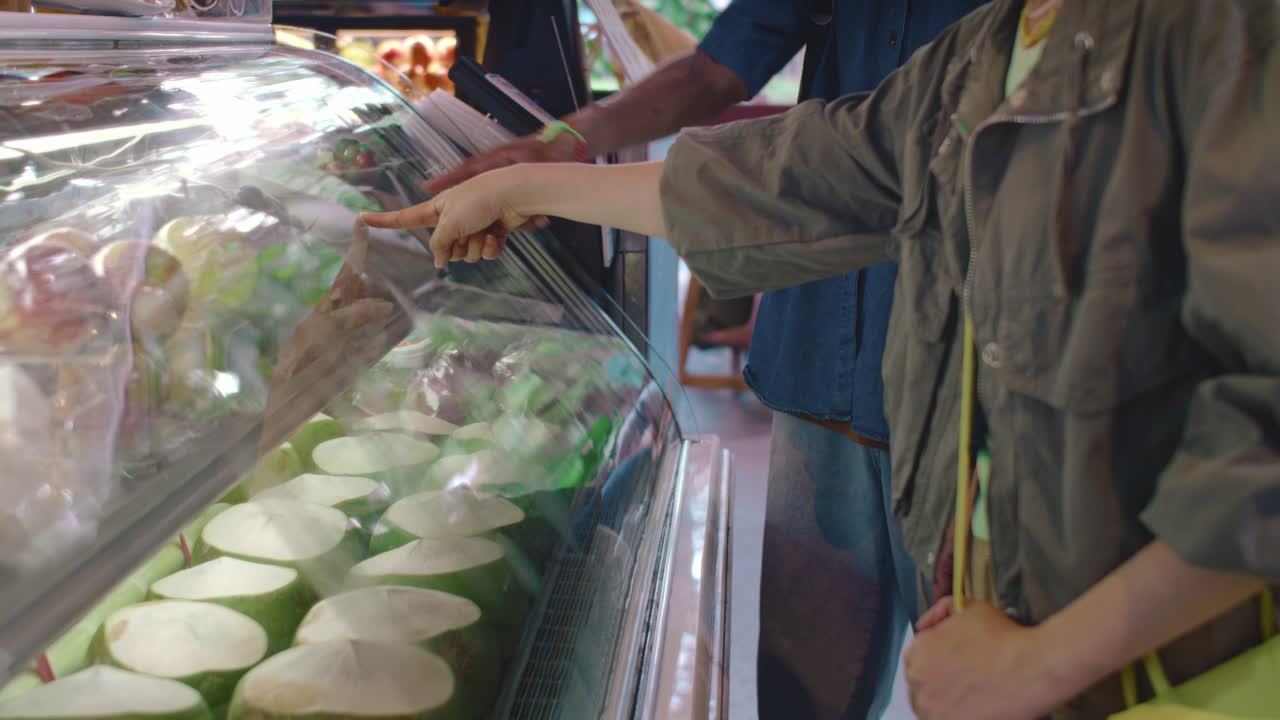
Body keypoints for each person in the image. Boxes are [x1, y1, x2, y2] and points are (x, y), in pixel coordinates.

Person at [365, 0, 1280, 717]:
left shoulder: (1220, 33)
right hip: (1014, 624)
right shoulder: (992, 47)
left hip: (1167, 667)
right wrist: (529, 182)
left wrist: (1043, 665)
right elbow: (808, 174)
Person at [425, 2, 986, 717]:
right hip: (821, 355)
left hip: (970, 389)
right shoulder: (948, 78)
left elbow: (862, 168)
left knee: (989, 671)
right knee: (803, 685)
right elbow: (802, 136)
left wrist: (541, 178)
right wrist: (558, 152)